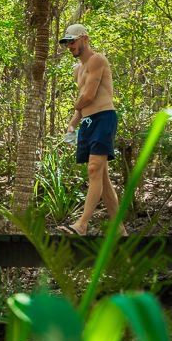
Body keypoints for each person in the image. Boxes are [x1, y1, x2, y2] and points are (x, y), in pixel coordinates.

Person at [59, 23, 127, 237]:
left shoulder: (97, 60)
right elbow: (83, 104)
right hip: (88, 122)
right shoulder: (76, 70)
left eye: (73, 41)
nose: (69, 46)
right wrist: (72, 123)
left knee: (94, 169)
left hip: (104, 117)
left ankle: (82, 224)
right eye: (67, 42)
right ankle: (120, 228)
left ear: (84, 39)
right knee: (102, 177)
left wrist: (76, 108)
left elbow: (88, 96)